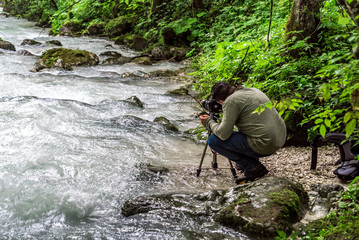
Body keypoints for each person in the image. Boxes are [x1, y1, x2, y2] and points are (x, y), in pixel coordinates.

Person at [199, 81, 287, 183]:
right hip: (280, 139)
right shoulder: (253, 90)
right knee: (246, 123)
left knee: (214, 140)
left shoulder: (230, 101)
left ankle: (254, 168)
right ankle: (245, 162)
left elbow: (223, 134)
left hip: (265, 145)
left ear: (221, 100)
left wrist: (208, 122)